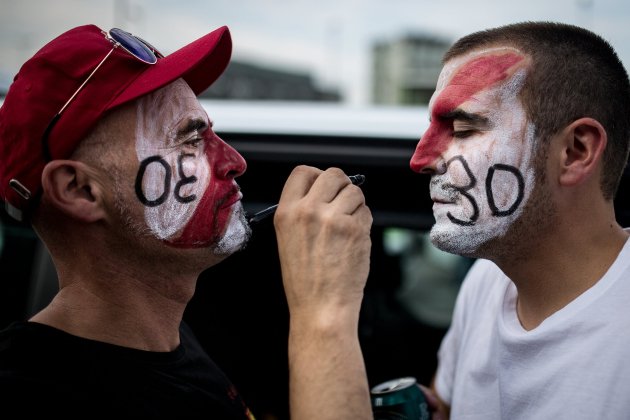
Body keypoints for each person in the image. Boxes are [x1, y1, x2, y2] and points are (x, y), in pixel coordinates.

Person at [0, 24, 373, 418]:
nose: (235, 162)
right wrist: (324, 315)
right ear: (80, 190)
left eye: (212, 133)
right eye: (191, 140)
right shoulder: (31, 394)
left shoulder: (169, 339)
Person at [409, 21, 630, 419]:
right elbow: (447, 406)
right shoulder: (486, 281)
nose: (421, 159)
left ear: (575, 151)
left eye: (463, 128)